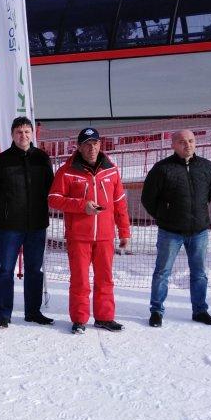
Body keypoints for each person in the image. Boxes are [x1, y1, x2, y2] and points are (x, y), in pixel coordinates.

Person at [49, 127, 131, 334]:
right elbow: (54, 199)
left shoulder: (111, 170)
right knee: (80, 280)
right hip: (79, 236)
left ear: (100, 145)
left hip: (104, 237)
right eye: (87, 144)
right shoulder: (66, 171)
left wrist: (124, 232)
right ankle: (79, 319)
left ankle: (104, 317)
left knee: (105, 279)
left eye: (95, 143)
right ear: (79, 147)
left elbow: (120, 203)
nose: (91, 148)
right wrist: (81, 205)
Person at [141, 129, 211, 327]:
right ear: (173, 145)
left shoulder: (206, 167)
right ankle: (156, 311)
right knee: (162, 273)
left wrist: (197, 214)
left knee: (199, 273)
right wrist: (165, 215)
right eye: (182, 142)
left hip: (199, 231)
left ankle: (200, 310)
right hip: (170, 231)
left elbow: (209, 194)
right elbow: (148, 198)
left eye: (191, 141)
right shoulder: (162, 169)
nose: (188, 145)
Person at [0, 116, 55, 329]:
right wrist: (4, 208)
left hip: (36, 224)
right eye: (19, 132)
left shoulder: (42, 158)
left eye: (26, 132)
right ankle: (4, 314)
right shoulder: (1, 160)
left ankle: (33, 311)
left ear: (32, 134)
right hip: (10, 225)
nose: (23, 136)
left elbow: (49, 188)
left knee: (34, 270)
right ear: (12, 135)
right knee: (6, 270)